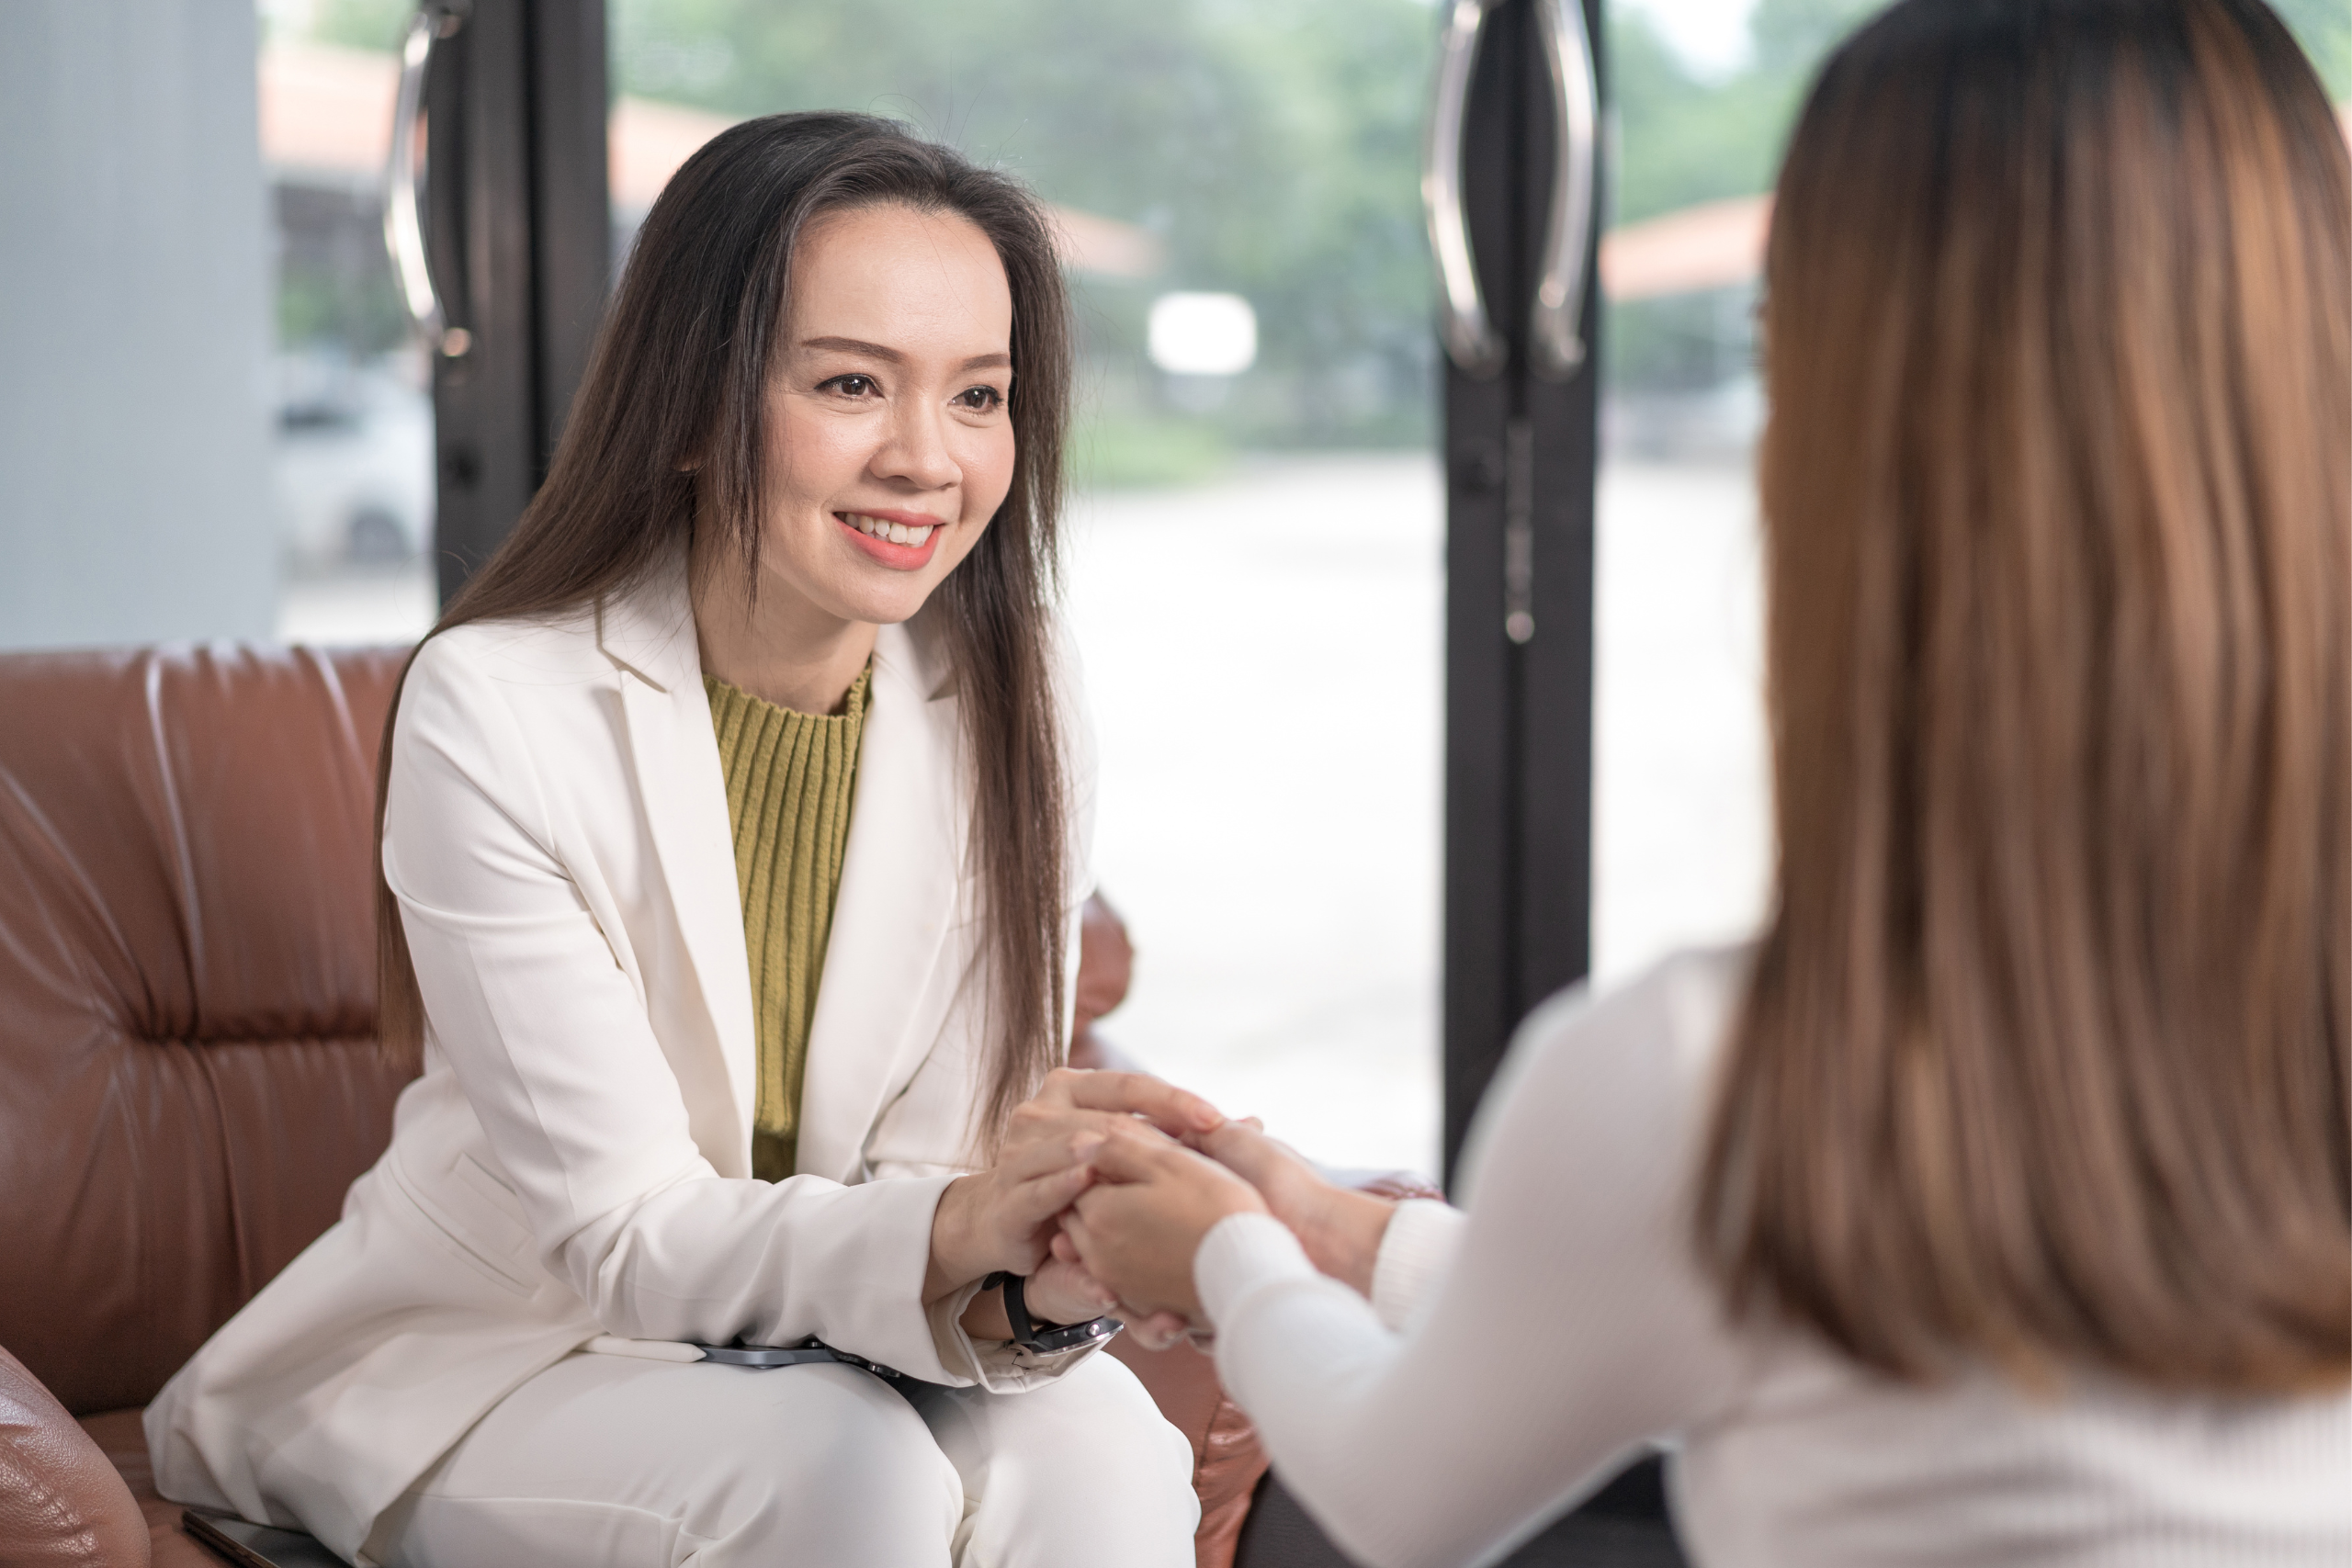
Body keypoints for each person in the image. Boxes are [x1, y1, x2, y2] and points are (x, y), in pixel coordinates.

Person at [1063, 3, 2352, 1564]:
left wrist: (1236, 1268)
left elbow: (1409, 1499)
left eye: (1774, 350)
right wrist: (1364, 1238)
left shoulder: (1714, 1072)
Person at [145, 113, 1206, 1567]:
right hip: (511, 1354)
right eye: (851, 383)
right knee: (847, 1478)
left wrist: (1055, 1243)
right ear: (701, 406)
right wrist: (966, 1227)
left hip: (848, 1342)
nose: (926, 459)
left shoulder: (1021, 693)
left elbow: (932, 1166)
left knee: (1106, 1454)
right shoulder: (496, 704)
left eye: (978, 395)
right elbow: (626, 1238)